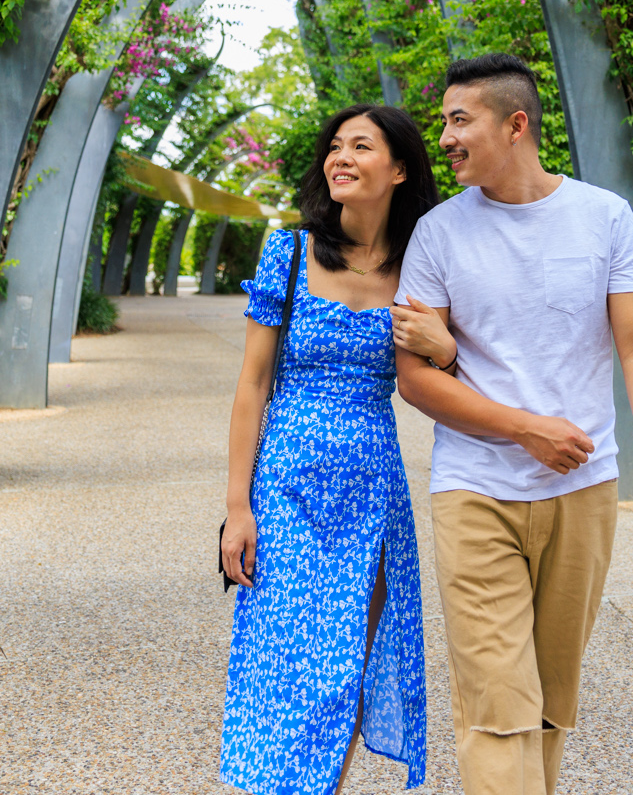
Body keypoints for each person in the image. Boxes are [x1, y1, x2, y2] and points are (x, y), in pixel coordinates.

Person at [390, 53, 633, 795]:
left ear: (515, 125)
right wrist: (525, 429)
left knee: (550, 699)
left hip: (583, 488)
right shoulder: (437, 234)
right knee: (496, 702)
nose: (446, 136)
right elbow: (417, 378)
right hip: (474, 488)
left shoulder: (603, 217)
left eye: (462, 120)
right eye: (445, 120)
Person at [220, 104, 443, 795]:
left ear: (399, 169)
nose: (340, 157)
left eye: (361, 146)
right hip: (284, 489)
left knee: (345, 668)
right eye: (335, 147)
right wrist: (237, 507)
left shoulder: (421, 272)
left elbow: (444, 378)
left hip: (371, 495)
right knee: (282, 663)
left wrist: (447, 348)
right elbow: (253, 385)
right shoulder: (288, 254)